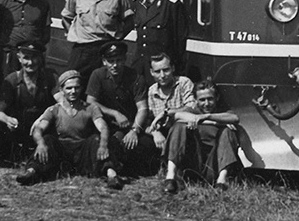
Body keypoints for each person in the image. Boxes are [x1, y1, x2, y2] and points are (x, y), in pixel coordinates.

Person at [16, 70, 123, 190]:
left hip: (82, 152)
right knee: (47, 140)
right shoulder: (54, 110)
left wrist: (103, 145)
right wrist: (40, 144)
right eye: (69, 88)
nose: (73, 92)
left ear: (81, 88)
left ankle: (112, 175)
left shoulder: (91, 108)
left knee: (95, 139)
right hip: (62, 153)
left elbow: (103, 127)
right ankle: (31, 172)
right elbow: (38, 129)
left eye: (76, 88)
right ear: (61, 90)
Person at [86, 41, 158, 176]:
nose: (115, 65)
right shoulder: (98, 75)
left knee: (145, 145)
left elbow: (142, 108)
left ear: (125, 59)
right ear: (104, 61)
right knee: (99, 143)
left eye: (119, 60)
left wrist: (134, 131)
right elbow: (90, 102)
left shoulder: (136, 78)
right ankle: (110, 170)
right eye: (111, 61)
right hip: (105, 125)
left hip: (129, 126)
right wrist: (114, 113)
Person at [61, 0, 134, 82]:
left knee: (107, 85)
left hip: (108, 49)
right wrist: (73, 34)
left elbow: (129, 21)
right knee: (73, 83)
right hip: (83, 50)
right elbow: (66, 17)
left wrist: (117, 38)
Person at [162, 79, 241, 194]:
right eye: (202, 100)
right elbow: (178, 115)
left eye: (210, 99)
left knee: (228, 131)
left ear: (217, 98)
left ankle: (222, 182)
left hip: (215, 164)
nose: (206, 103)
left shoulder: (222, 112)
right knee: (179, 126)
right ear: (196, 100)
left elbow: (234, 118)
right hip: (194, 164)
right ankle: (170, 178)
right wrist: (214, 122)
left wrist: (207, 117)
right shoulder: (192, 111)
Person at [0, 0, 51, 104]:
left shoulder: (42, 4)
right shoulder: (2, 4)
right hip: (8, 56)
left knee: (34, 91)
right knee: (5, 91)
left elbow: (46, 33)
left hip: (33, 56)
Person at [0, 41, 59, 163]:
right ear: (19, 58)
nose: (31, 63)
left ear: (41, 58)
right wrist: (8, 120)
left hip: (41, 126)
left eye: (35, 58)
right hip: (19, 127)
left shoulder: (50, 77)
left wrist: (45, 116)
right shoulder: (12, 79)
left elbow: (62, 102)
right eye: (26, 58)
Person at [132, 0, 189, 81]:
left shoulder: (173, 5)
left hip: (161, 69)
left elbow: (180, 42)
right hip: (141, 67)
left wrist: (178, 70)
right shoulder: (138, 3)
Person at [146, 53, 196, 157]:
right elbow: (148, 122)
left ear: (173, 68)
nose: (162, 75)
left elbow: (192, 108)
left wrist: (168, 112)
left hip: (184, 131)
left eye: (166, 70)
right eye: (157, 72)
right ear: (151, 72)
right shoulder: (152, 91)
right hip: (163, 133)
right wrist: (155, 133)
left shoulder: (183, 83)